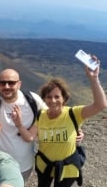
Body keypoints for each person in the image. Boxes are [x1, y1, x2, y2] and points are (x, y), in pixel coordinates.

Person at [0, 65, 84, 183]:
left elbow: (53, 114)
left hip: (23, 165)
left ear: (19, 84)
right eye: (3, 83)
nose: (7, 86)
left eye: (11, 83)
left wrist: (75, 129)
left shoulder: (32, 100)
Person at [12, 55, 107, 187]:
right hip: (45, 165)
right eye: (49, 97)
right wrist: (19, 124)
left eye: (57, 96)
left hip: (67, 167)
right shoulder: (41, 115)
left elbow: (100, 105)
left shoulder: (74, 113)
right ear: (44, 99)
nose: (53, 100)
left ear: (64, 98)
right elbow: (29, 137)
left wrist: (94, 78)